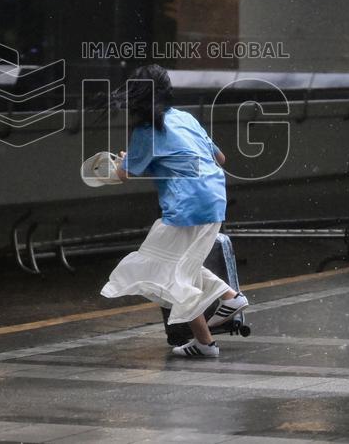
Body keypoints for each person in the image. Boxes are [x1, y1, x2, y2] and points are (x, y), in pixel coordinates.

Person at [100, 64, 248, 358]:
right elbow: (220, 157)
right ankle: (210, 334)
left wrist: (120, 162)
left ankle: (226, 307)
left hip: (186, 207)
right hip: (214, 201)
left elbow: (123, 175)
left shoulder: (146, 131)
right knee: (180, 269)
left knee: (162, 268)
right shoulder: (186, 118)